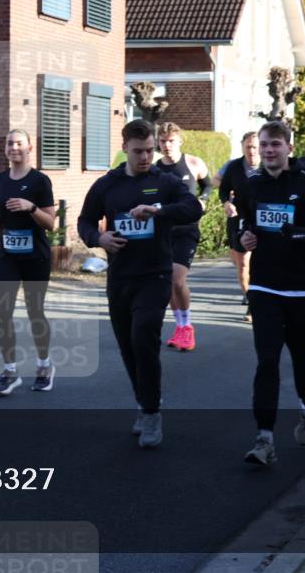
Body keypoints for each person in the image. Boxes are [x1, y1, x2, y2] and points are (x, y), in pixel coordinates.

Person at [78, 120, 202, 448]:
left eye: (150, 150)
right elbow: (84, 220)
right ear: (125, 149)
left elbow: (193, 207)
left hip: (156, 274)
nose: (146, 156)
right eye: (139, 151)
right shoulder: (108, 184)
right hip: (120, 276)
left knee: (143, 334)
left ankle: (151, 412)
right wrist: (99, 237)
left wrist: (158, 210)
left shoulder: (165, 181)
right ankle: (143, 401)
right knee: (127, 346)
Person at [236, 121, 305, 466]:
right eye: (264, 144)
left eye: (275, 144)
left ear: (289, 148)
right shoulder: (252, 186)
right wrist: (244, 238)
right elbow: (242, 226)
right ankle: (264, 439)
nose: (268, 150)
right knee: (266, 360)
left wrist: (295, 234)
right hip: (264, 285)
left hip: (303, 288)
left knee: (301, 355)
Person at [0, 129, 57, 395]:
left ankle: (44, 366)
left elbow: (52, 223)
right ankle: (10, 371)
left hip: (35, 256)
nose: (14, 147)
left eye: (19, 143)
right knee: (2, 314)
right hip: (8, 254)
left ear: (30, 147)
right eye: (9, 143)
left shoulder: (40, 181)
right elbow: (0, 218)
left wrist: (31, 208)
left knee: (34, 312)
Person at [154, 122, 212, 351]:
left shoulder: (193, 163)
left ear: (179, 141)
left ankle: (187, 327)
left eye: (171, 141)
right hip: (162, 231)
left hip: (187, 229)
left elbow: (207, 185)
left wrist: (203, 200)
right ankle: (179, 327)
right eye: (162, 141)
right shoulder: (155, 169)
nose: (166, 145)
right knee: (168, 282)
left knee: (177, 279)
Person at [218, 131, 261, 322]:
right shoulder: (234, 167)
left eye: (255, 146)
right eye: (248, 147)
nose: (251, 151)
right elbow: (223, 189)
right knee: (241, 263)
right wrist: (227, 203)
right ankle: (252, 300)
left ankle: (259, 300)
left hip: (262, 219)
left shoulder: (268, 166)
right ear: (242, 147)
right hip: (238, 218)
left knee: (258, 263)